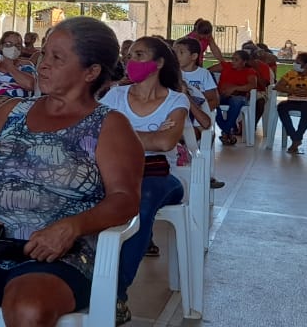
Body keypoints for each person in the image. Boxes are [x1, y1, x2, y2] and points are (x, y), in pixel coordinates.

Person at [0, 17, 143, 325]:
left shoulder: (109, 125)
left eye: (57, 58)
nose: (43, 64)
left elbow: (125, 199)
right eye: (44, 54)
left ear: (91, 72)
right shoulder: (12, 111)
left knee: (28, 308)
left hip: (61, 252)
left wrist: (72, 227)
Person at [96, 36, 190, 322]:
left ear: (158, 63)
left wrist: (119, 136)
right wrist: (150, 135)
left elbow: (165, 143)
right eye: (130, 55)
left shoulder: (176, 100)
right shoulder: (114, 97)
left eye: (139, 55)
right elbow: (93, 133)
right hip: (116, 172)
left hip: (160, 177)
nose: (130, 61)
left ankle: (116, 294)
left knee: (142, 201)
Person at [174, 38, 224, 189]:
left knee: (205, 136)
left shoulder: (203, 74)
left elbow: (213, 99)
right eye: (174, 51)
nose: (176, 55)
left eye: (181, 52)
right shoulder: (172, 74)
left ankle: (207, 175)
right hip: (177, 117)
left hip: (197, 117)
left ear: (194, 56)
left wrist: (199, 108)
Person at [0, 31, 36, 110]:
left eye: (18, 45)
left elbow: (30, 85)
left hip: (16, 108)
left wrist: (10, 67)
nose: (13, 48)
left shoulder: (25, 65)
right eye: (9, 44)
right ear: (1, 46)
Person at [214, 50, 259, 144]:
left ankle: (226, 131)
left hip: (238, 97)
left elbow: (253, 85)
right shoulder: (226, 66)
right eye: (232, 59)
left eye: (236, 60)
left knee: (236, 101)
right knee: (212, 101)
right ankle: (227, 131)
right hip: (222, 96)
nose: (233, 62)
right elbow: (206, 72)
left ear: (244, 62)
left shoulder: (249, 71)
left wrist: (235, 88)